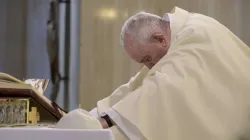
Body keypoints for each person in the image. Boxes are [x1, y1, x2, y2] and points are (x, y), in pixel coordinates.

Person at [90, 7, 250, 140]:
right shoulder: (180, 32)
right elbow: (137, 83)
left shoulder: (193, 37)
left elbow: (160, 87)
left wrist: (106, 120)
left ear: (160, 39)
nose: (149, 66)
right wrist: (92, 115)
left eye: (147, 58)